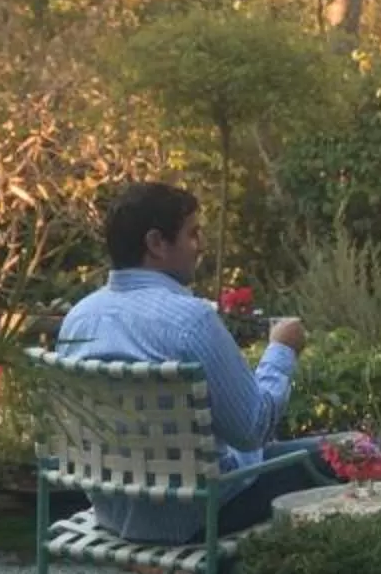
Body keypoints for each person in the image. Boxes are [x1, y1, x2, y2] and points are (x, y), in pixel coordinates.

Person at [50, 181, 328, 542]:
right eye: (193, 234)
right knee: (349, 450)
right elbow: (252, 429)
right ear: (156, 243)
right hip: (199, 513)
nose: (201, 246)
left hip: (114, 512)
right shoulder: (189, 321)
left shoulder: (78, 319)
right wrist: (282, 350)